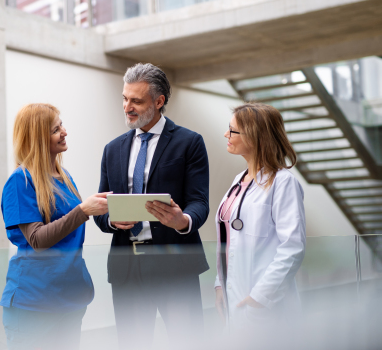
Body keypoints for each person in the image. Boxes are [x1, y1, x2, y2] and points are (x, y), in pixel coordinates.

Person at [94, 63, 210, 349]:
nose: (127, 107)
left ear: (159, 102)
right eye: (124, 98)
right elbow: (101, 207)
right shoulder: (113, 149)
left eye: (136, 100)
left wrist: (182, 220)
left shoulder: (190, 143)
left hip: (176, 265)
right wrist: (111, 220)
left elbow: (200, 202)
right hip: (127, 266)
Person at [0, 103, 109, 350]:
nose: (65, 132)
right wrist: (82, 210)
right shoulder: (21, 182)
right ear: (38, 138)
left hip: (69, 298)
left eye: (62, 126)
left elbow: (70, 226)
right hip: (34, 303)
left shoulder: (65, 177)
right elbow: (37, 239)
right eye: (55, 129)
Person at [215, 103, 306, 329]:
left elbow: (292, 248)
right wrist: (220, 285)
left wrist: (260, 298)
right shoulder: (239, 181)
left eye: (232, 130)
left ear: (255, 136)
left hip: (264, 303)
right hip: (233, 296)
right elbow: (228, 241)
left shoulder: (283, 183)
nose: (226, 134)